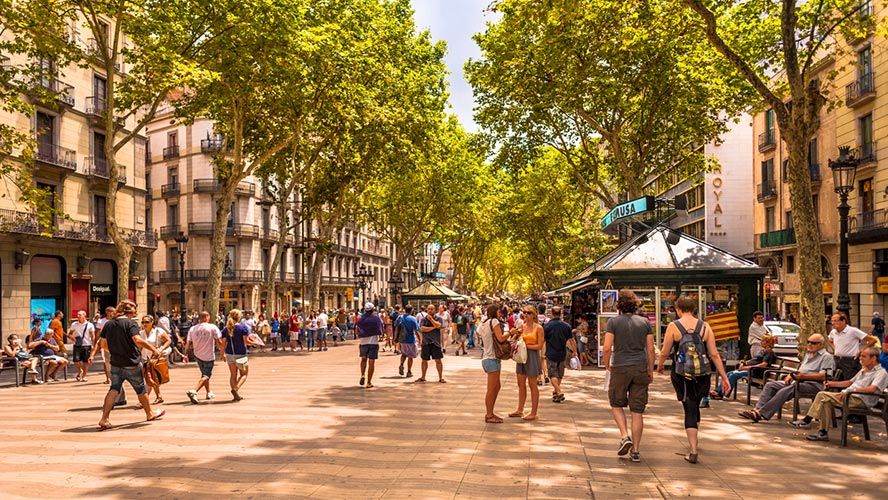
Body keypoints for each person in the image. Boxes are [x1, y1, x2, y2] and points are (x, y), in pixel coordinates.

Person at [657, 295, 730, 464]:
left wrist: (660, 366)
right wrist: (724, 377)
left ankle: (693, 450)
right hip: (702, 374)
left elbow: (665, 351)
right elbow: (714, 354)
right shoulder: (705, 327)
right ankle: (694, 435)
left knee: (688, 406)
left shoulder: (673, 326)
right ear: (694, 309)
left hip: (682, 373)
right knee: (695, 404)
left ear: (678, 309)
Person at [88, 299, 165, 430]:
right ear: (129, 311)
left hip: (115, 363)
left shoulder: (109, 324)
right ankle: (150, 413)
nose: (136, 312)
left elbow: (103, 345)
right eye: (135, 309)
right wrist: (154, 349)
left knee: (114, 389)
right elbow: (137, 339)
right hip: (131, 362)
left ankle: (104, 419)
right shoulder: (130, 323)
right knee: (141, 389)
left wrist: (116, 351)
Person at [790, 347, 888, 442]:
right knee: (826, 402)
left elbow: (872, 388)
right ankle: (823, 432)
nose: (860, 358)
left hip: (860, 400)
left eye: (864, 356)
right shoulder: (864, 369)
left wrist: (849, 391)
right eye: (861, 356)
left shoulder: (881, 373)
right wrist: (833, 383)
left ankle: (807, 420)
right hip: (849, 396)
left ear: (873, 358)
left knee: (822, 395)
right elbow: (850, 382)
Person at [603, 290, 654, 463]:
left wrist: (606, 363)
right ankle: (636, 451)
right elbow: (651, 348)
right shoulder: (645, 322)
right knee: (637, 411)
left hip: (620, 367)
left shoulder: (613, 322)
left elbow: (607, 347)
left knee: (616, 403)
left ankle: (625, 436)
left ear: (619, 305)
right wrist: (650, 369)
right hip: (640, 367)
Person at [739, 333, 835, 422]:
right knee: (770, 385)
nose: (809, 344)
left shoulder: (826, 357)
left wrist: (803, 376)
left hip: (814, 385)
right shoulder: (808, 354)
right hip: (798, 382)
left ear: (821, 345)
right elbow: (801, 370)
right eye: (808, 342)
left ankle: (761, 413)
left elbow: (825, 376)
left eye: (813, 343)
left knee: (787, 389)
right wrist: (791, 374)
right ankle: (756, 410)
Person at [479, 303, 514, 423]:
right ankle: (489, 415)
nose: (501, 314)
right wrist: (511, 332)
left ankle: (491, 412)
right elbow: (500, 338)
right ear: (495, 312)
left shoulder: (483, 323)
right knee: (492, 388)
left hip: (487, 358)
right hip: (492, 358)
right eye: (499, 311)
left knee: (496, 386)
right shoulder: (494, 322)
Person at [509, 305, 545, 421]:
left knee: (532, 384)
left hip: (532, 357)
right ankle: (520, 409)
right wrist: (515, 335)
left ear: (534, 314)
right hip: (521, 357)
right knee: (520, 383)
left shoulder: (538, 328)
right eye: (524, 312)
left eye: (528, 312)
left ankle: (534, 412)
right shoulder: (521, 326)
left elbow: (540, 345)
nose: (526, 314)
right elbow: (512, 340)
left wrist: (526, 346)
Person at [713, 335, 777, 399]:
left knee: (733, 375)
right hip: (750, 370)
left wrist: (747, 368)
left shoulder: (769, 352)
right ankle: (718, 391)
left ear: (768, 343)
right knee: (729, 373)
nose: (761, 342)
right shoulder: (763, 351)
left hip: (756, 372)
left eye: (763, 341)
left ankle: (722, 394)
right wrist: (745, 362)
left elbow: (764, 364)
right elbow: (755, 360)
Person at [184, 311, 225, 404]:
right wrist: (223, 352)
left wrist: (185, 354)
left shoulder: (192, 329)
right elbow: (219, 341)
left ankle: (208, 392)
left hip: (197, 354)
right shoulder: (212, 327)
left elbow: (188, 343)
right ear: (207, 317)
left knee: (204, 374)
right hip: (209, 355)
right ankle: (194, 391)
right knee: (207, 375)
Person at [544, 306, 577, 404]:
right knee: (560, 373)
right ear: (561, 314)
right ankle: (556, 392)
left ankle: (558, 391)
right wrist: (575, 351)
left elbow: (542, 339)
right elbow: (572, 340)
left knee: (552, 373)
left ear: (552, 314)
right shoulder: (566, 326)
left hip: (551, 353)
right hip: (562, 353)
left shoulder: (547, 326)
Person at [139, 315, 171, 405]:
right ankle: (158, 396)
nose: (144, 324)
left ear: (152, 322)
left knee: (150, 378)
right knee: (152, 378)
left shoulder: (158, 331)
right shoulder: (141, 333)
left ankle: (143, 401)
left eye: (147, 322)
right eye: (143, 322)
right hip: (145, 358)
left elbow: (168, 340)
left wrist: (161, 349)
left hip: (155, 359)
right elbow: (140, 346)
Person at [827, 313, 869, 381]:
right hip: (837, 360)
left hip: (850, 361)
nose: (832, 323)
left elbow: (872, 340)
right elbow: (829, 340)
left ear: (843, 321)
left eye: (835, 321)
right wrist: (834, 348)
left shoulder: (853, 331)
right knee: (836, 379)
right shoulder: (833, 332)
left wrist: (862, 351)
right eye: (832, 321)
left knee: (849, 380)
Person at [356, 302, 383, 388]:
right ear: (373, 309)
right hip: (373, 342)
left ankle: (363, 374)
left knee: (363, 359)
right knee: (371, 362)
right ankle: (369, 382)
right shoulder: (376, 319)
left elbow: (357, 331)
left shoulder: (360, 319)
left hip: (363, 342)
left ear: (365, 309)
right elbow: (380, 330)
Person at [418, 304, 446, 383]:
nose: (430, 310)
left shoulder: (439, 318)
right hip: (426, 342)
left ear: (435, 310)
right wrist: (434, 327)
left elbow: (439, 325)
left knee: (438, 360)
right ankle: (423, 376)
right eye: (429, 309)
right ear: (427, 310)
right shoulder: (423, 319)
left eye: (432, 309)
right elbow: (423, 329)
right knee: (424, 360)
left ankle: (440, 377)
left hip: (435, 342)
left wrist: (431, 320)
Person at [68, 310, 96, 382]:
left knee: (86, 362)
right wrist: (71, 337)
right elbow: (69, 333)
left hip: (87, 344)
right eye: (77, 315)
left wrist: (94, 345)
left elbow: (93, 336)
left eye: (80, 315)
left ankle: (84, 376)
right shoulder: (74, 324)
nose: (78, 316)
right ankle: (80, 370)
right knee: (76, 360)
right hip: (77, 344)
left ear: (84, 316)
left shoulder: (90, 325)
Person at [396, 305, 420, 378]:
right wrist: (420, 339)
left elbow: (396, 328)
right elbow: (416, 330)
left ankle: (401, 364)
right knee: (410, 356)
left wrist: (395, 338)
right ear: (411, 310)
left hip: (402, 339)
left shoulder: (399, 317)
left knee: (403, 354)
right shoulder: (413, 319)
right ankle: (409, 371)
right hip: (410, 339)